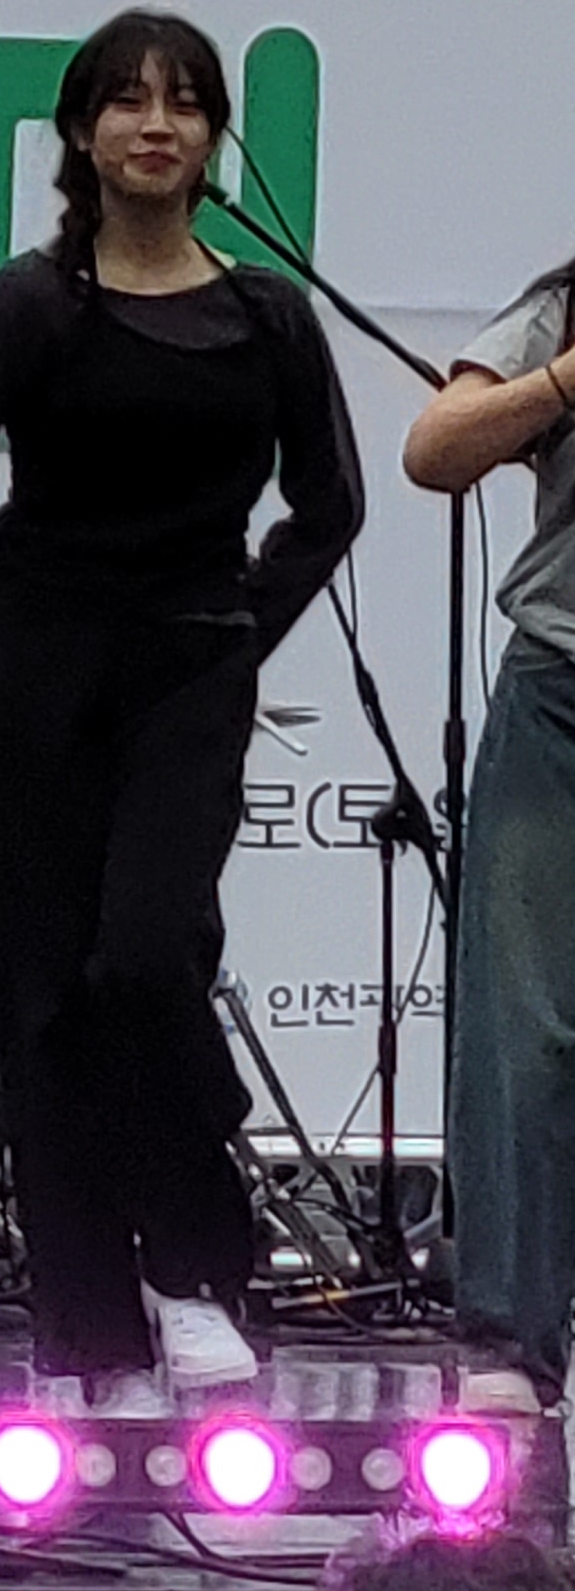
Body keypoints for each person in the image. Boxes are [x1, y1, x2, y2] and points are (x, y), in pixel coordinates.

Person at [0, 9, 363, 1410]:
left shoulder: (269, 317)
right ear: (81, 134)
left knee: (146, 966)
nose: (157, 125)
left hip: (187, 678)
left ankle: (196, 1271)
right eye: (129, 101)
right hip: (32, 684)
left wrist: (234, 636)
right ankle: (85, 1336)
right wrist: (7, 636)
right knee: (42, 1008)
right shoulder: (31, 307)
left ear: (214, 138)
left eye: (186, 103)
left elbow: (329, 506)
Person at [403, 240, 575, 1412]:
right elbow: (437, 449)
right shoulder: (565, 306)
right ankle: (512, 1338)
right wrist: (563, 381)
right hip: (564, 690)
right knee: (524, 1027)